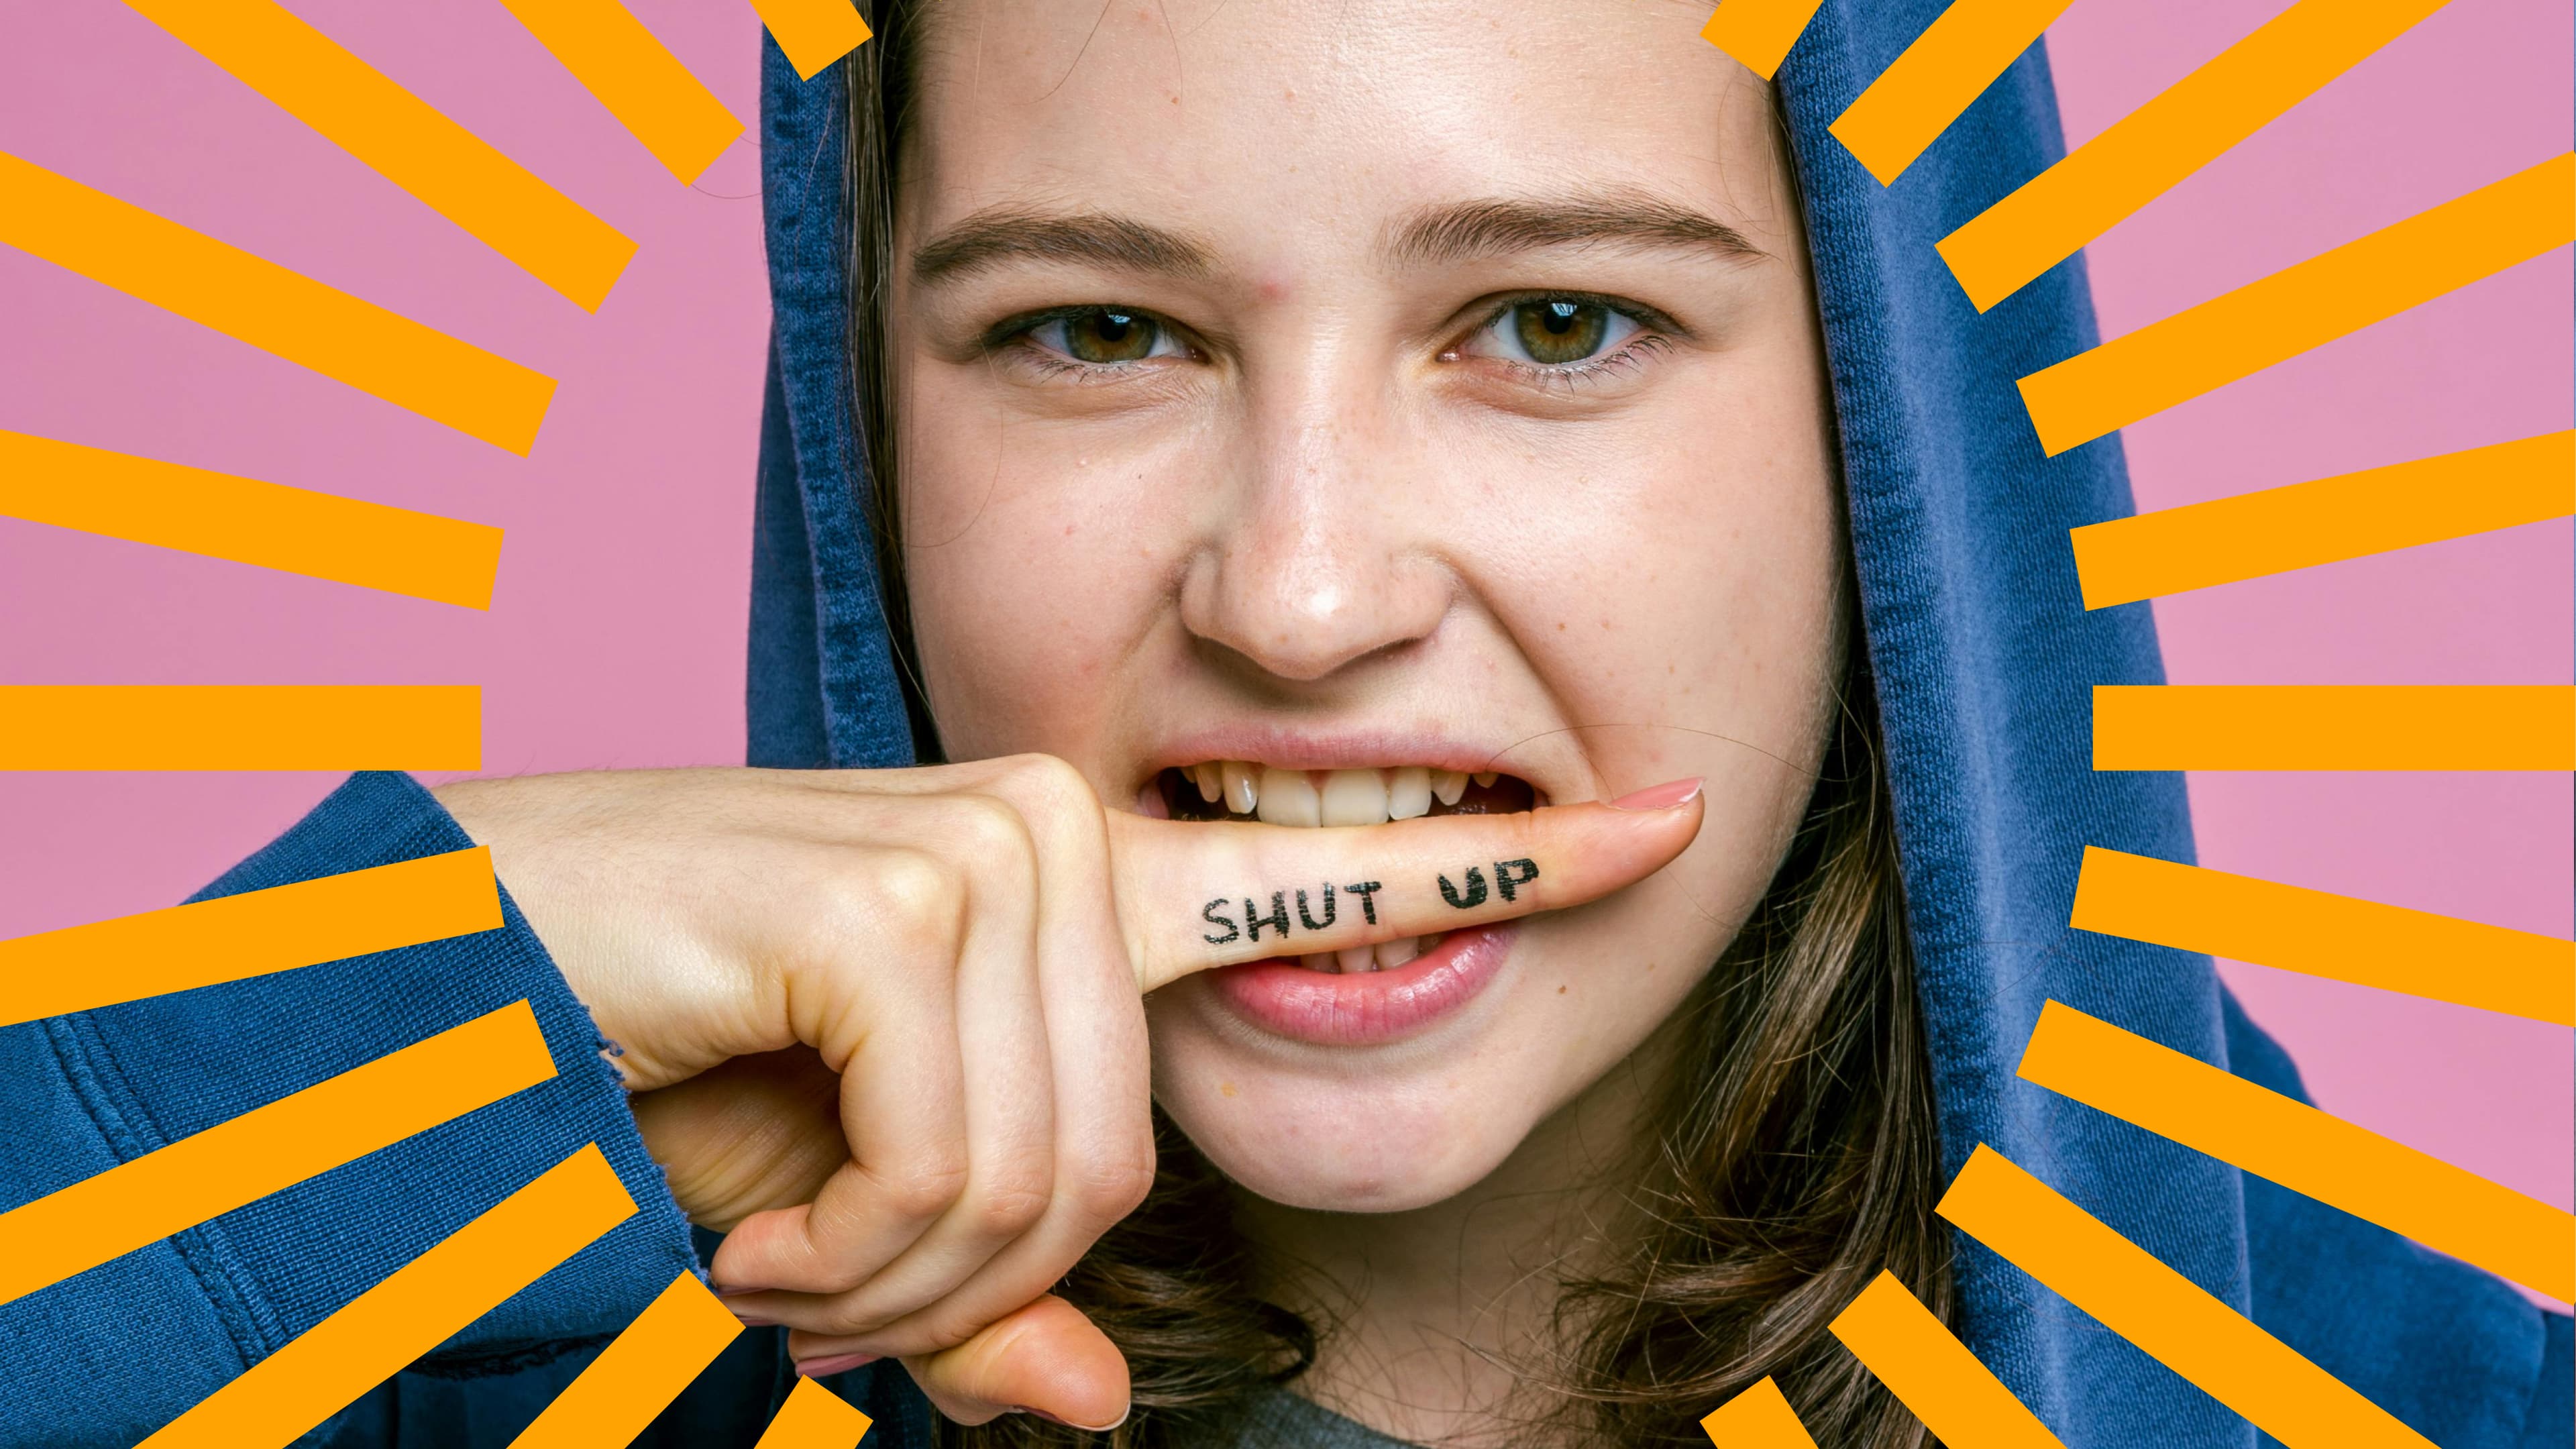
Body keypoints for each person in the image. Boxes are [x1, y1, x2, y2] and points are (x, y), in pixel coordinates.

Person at [3, 2, 2565, 1447]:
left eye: (1556, 323)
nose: (1305, 595)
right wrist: (306, 1079)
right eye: (1094, 333)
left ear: (1903, 428)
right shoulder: (443, 1365)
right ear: (865, 434)